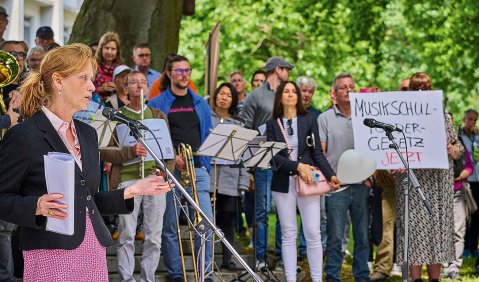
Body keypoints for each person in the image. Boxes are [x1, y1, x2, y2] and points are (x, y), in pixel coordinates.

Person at [0, 43, 171, 281]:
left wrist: (132, 190)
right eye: (83, 78)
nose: (92, 86)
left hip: (93, 250)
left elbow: (89, 200)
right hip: (49, 253)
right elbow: (3, 198)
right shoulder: (24, 135)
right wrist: (36, 206)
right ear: (58, 81)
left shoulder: (88, 134)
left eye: (91, 79)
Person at [101, 70, 174, 281]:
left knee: (154, 236)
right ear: (125, 88)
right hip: (128, 180)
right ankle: (127, 278)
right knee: (126, 234)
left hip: (154, 179)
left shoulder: (158, 115)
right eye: (134, 82)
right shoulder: (116, 115)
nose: (140, 85)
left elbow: (169, 150)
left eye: (143, 82)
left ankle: (148, 278)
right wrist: (131, 152)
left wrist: (164, 170)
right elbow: (103, 150)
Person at [148, 55, 214, 281]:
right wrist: (170, 158)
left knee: (206, 223)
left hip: (198, 169)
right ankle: (176, 273)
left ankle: (204, 272)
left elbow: (208, 135)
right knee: (171, 226)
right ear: (168, 73)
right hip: (171, 171)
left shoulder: (200, 103)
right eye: (179, 71)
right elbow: (152, 138)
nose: (184, 75)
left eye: (187, 70)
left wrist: (204, 163)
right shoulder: (157, 104)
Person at [267, 81, 340, 282]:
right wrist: (297, 167)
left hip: (309, 183)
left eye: (293, 91)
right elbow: (273, 158)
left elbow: (317, 152)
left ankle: (317, 279)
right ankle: (291, 278)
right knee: (288, 233)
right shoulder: (272, 124)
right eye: (286, 91)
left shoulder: (309, 120)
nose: (290, 94)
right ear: (280, 97)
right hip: (282, 184)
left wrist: (330, 174)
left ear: (298, 97)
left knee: (313, 232)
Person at [394, 72, 460, 282]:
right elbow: (389, 152)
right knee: (413, 232)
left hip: (438, 184)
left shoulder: (444, 118)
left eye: (425, 88)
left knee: (436, 232)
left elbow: (458, 148)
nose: (421, 92)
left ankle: (434, 279)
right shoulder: (400, 119)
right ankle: (415, 279)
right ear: (410, 91)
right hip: (411, 185)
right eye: (416, 88)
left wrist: (451, 149)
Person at [239, 56, 294, 269]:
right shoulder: (255, 96)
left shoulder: (288, 95)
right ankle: (260, 258)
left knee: (284, 212)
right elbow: (246, 129)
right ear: (277, 70)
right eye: (286, 69)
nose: (288, 73)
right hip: (263, 161)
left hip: (285, 161)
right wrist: (250, 169)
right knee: (262, 211)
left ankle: (282, 258)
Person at [318, 73, 371, 282]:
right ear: (335, 93)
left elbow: (373, 148)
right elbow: (320, 152)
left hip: (361, 185)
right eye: (343, 87)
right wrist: (329, 177)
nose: (348, 90)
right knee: (335, 237)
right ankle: (332, 276)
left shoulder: (366, 117)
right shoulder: (324, 118)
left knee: (362, 236)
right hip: (336, 186)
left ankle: (362, 276)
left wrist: (370, 174)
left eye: (351, 86)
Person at [370, 79, 410, 281]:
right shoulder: (388, 114)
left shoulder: (423, 116)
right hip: (390, 181)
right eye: (403, 88)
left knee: (412, 225)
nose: (406, 91)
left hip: (416, 181)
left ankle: (412, 267)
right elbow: (377, 146)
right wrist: (385, 168)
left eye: (409, 88)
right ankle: (383, 268)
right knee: (387, 225)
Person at [209, 82, 248, 271]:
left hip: (230, 181)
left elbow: (243, 157)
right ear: (215, 95)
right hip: (209, 178)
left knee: (227, 222)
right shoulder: (207, 118)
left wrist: (243, 182)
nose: (224, 97)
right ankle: (206, 259)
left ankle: (227, 259)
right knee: (207, 221)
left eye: (229, 95)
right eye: (221, 93)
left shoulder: (238, 124)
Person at [459, 109, 479, 269]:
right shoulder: (459, 136)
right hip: (467, 180)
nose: (472, 123)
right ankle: (464, 247)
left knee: (477, 215)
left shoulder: (477, 136)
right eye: (470, 119)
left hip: (478, 178)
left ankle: (473, 247)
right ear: (464, 119)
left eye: (475, 120)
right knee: (465, 214)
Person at [93, 31, 123, 100]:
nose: (109, 52)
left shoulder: (122, 69)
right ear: (101, 49)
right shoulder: (93, 66)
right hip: (95, 105)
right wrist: (100, 89)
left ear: (117, 51)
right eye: (106, 48)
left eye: (113, 49)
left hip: (117, 106)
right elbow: (84, 89)